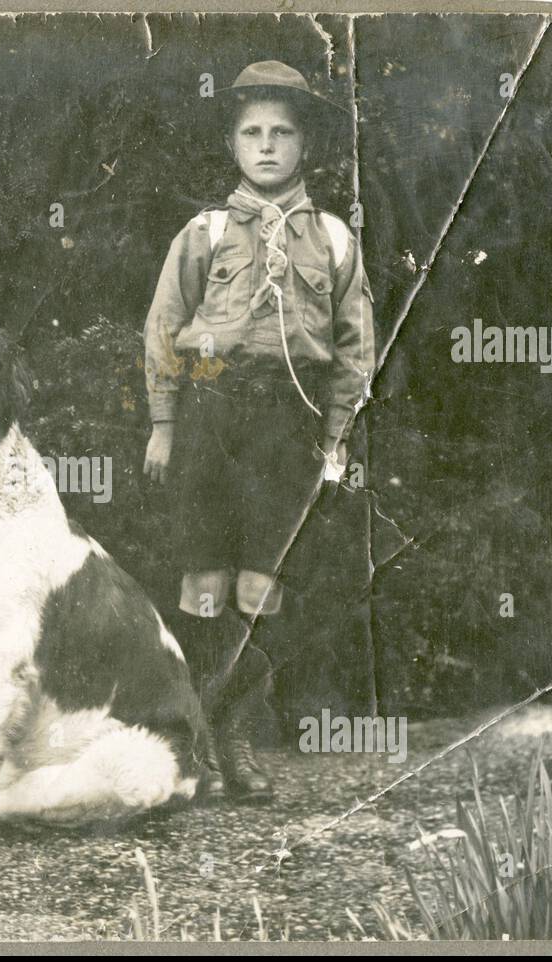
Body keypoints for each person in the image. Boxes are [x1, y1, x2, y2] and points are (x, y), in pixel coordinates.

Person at [142, 61, 375, 801]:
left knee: (261, 584)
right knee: (203, 580)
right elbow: (163, 328)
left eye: (282, 132)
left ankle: (237, 739)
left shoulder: (334, 239)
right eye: (252, 133)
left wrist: (336, 437)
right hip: (210, 408)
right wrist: (163, 423)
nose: (267, 146)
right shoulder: (204, 231)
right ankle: (190, 742)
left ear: (305, 144)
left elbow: (355, 348)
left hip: (287, 417)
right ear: (232, 143)